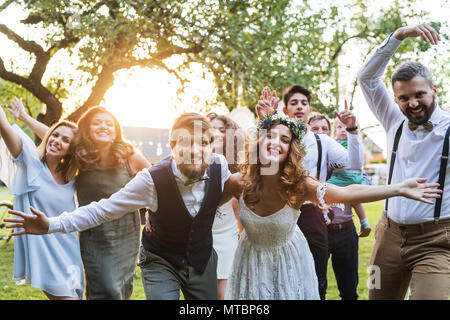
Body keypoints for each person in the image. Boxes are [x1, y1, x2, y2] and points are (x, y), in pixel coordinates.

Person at [5, 113, 442, 300]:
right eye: (184, 142)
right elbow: (100, 210)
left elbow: (343, 193)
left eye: (203, 142)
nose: (194, 149)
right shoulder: (174, 179)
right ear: (172, 146)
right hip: (173, 258)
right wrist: (54, 224)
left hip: (247, 261)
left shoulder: (256, 177)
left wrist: (398, 188)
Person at [9, 100, 150, 299]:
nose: (103, 127)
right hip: (92, 233)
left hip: (124, 234)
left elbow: (155, 183)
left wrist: (152, 211)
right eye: (97, 123)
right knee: (105, 288)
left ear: (116, 130)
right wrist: (24, 117)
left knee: (119, 289)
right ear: (87, 130)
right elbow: (51, 137)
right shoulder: (83, 157)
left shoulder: (129, 157)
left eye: (109, 123)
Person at [357, 22, 450, 300]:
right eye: (404, 98)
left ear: (433, 89)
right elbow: (367, 77)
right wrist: (397, 36)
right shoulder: (393, 120)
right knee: (376, 297)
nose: (413, 103)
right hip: (388, 235)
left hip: (436, 240)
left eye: (419, 94)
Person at [256, 85, 365, 300]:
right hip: (277, 212)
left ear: (309, 109)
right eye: (294, 103)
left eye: (304, 103)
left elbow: (354, 165)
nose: (299, 107)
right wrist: (264, 123)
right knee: (276, 278)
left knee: (316, 280)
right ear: (284, 110)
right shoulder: (273, 137)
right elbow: (259, 166)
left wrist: (353, 131)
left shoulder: (322, 141)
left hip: (311, 214)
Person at [0, 98, 83, 300]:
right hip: (45, 252)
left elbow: (61, 140)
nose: (56, 141)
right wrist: (21, 119)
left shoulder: (72, 177)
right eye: (54, 135)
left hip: (70, 250)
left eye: (66, 140)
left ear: (72, 150)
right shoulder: (28, 161)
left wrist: (25, 116)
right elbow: (4, 125)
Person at [205, 112, 244, 300]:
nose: (218, 134)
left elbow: (242, 208)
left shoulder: (237, 166)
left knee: (224, 294)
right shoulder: (193, 162)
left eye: (223, 130)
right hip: (201, 235)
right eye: (213, 129)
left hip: (227, 233)